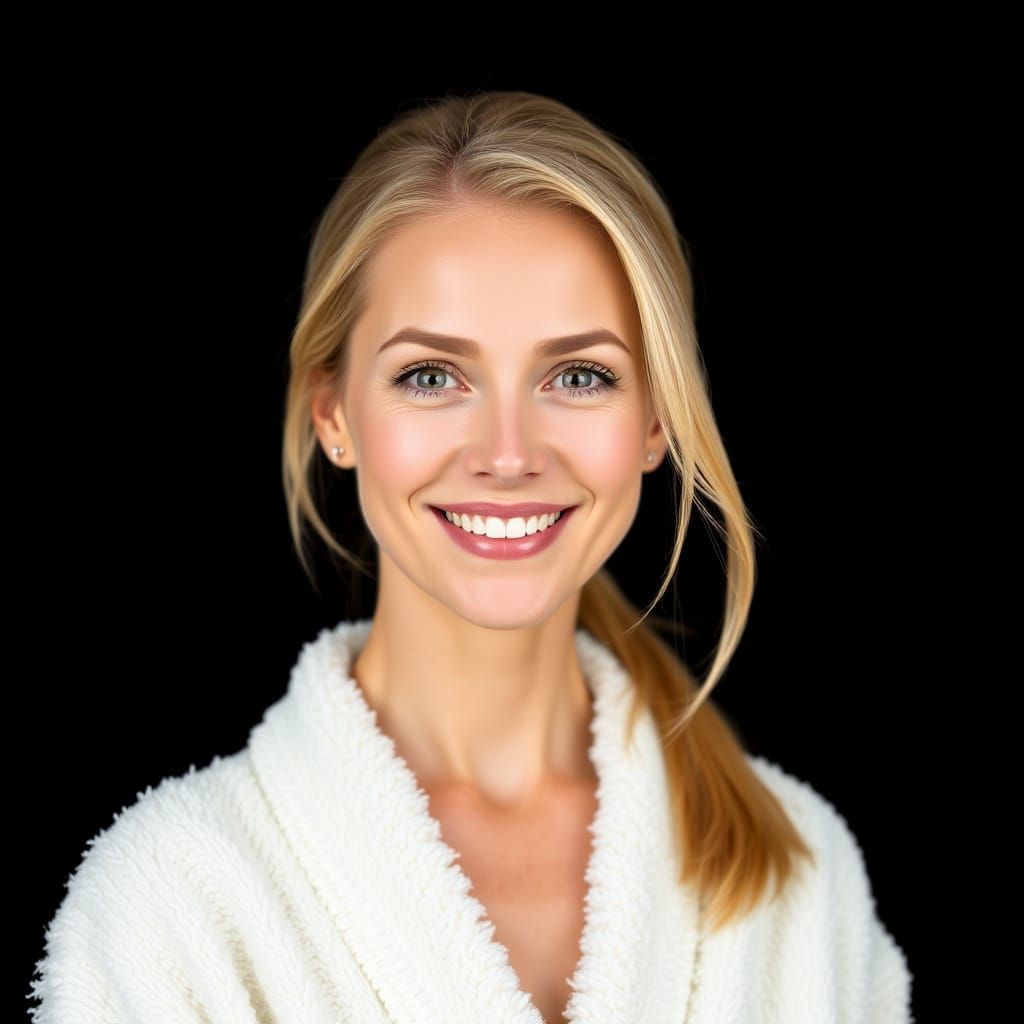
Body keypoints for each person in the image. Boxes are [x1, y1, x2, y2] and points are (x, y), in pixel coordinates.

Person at [28, 90, 914, 1023]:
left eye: (579, 376)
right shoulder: (174, 903)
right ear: (333, 414)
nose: (506, 451)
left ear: (657, 418)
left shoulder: (798, 875)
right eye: (431, 376)